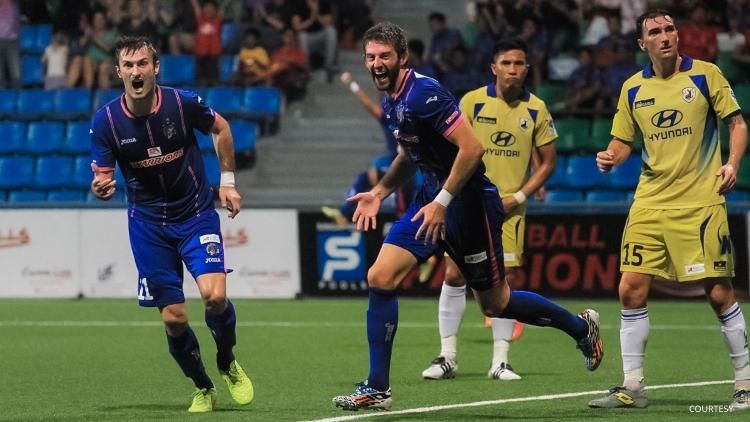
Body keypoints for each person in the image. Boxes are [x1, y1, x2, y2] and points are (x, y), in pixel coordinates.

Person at [331, 22, 603, 412]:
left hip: (470, 206)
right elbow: (409, 155)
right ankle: (378, 388)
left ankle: (580, 328)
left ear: (403, 57)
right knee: (380, 277)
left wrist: (443, 201)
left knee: (495, 304)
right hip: (432, 199)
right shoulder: (392, 100)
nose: (377, 63)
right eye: (371, 57)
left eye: (385, 56)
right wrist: (379, 192)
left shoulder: (424, 93)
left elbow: (473, 150)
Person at [590, 10, 750, 411]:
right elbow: (622, 141)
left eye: (669, 29)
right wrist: (611, 156)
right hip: (649, 202)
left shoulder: (706, 75)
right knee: (630, 288)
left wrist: (732, 164)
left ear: (677, 35)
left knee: (719, 293)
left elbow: (737, 124)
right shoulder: (632, 88)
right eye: (655, 32)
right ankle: (633, 387)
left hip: (700, 202)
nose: (665, 36)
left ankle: (745, 383)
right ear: (642, 44)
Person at [89, 36, 253, 413]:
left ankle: (226, 359)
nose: (136, 72)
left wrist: (228, 182)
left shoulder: (182, 103)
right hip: (148, 226)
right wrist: (100, 187)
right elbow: (101, 178)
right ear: (118, 72)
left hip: (195, 214)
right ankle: (203, 387)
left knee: (215, 297)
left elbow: (222, 129)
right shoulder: (106, 122)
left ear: (155, 67)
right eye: (128, 66)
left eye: (142, 64)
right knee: (174, 318)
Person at [421, 38, 557, 382]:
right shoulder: (472, 102)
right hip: (468, 204)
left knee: (503, 283)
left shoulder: (537, 108)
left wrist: (520, 196)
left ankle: (500, 361)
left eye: (519, 64)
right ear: (493, 67)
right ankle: (447, 357)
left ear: (527, 68)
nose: (513, 70)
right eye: (506, 63)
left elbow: (547, 163)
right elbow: (453, 147)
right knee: (453, 274)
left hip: (508, 209)